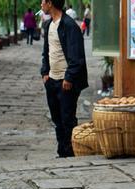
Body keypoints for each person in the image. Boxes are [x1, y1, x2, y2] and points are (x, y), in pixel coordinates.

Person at [41, 0, 88, 158]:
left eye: (43, 1)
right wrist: (45, 72)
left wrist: (69, 77)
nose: (41, 5)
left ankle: (70, 151)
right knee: (57, 118)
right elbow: (46, 52)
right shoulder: (49, 25)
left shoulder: (69, 25)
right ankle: (62, 151)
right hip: (52, 80)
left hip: (66, 82)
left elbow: (77, 56)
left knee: (67, 118)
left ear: (50, 3)